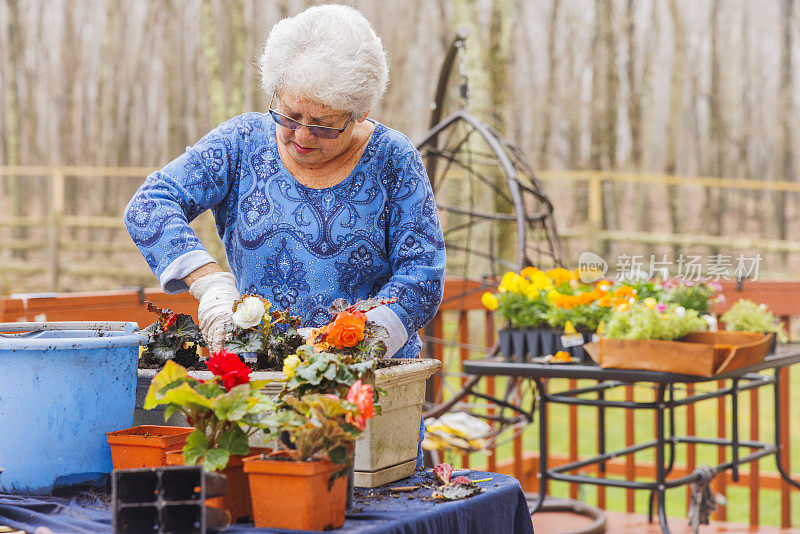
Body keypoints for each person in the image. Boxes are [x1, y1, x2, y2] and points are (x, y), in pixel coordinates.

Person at [124, 5, 445, 364]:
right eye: (290, 116)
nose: (303, 135)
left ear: (359, 114)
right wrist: (209, 284)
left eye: (323, 124)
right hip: (259, 372)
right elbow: (150, 204)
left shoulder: (392, 158)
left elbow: (422, 276)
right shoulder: (241, 142)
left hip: (369, 376)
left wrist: (347, 342)